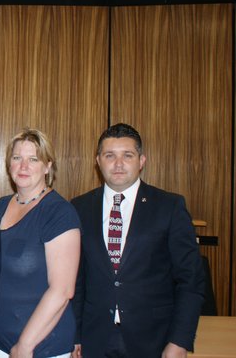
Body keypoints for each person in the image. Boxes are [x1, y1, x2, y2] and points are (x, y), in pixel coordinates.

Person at [71, 123, 205, 358]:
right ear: (98, 161)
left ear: (142, 160)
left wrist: (180, 340)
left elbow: (190, 280)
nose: (119, 164)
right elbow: (76, 279)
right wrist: (74, 336)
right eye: (110, 155)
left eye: (128, 155)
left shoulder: (170, 207)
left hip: (153, 339)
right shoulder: (79, 207)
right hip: (94, 339)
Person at [0, 128, 81, 358]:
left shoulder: (59, 212)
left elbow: (62, 291)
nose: (23, 166)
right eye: (17, 158)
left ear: (48, 166)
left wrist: (25, 345)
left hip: (40, 347)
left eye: (33, 159)